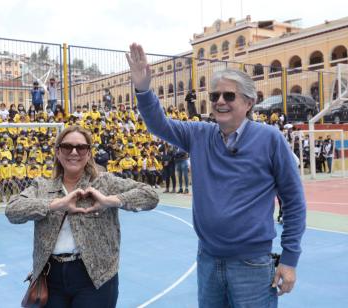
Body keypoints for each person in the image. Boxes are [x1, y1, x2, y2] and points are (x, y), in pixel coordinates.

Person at [126, 43, 306, 307]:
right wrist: (143, 88)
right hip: (208, 261)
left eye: (229, 96)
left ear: (248, 102)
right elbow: (158, 124)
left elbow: (293, 201)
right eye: (214, 96)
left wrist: (289, 260)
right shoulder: (199, 134)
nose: (220, 101)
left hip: (252, 264)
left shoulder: (270, 139)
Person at [5, 125, 158, 308]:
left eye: (81, 147)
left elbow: (150, 196)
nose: (74, 152)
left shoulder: (104, 183)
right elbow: (13, 210)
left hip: (96, 276)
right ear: (58, 152)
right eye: (67, 147)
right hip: (50, 277)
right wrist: (56, 204)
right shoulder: (42, 187)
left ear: (89, 153)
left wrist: (111, 200)